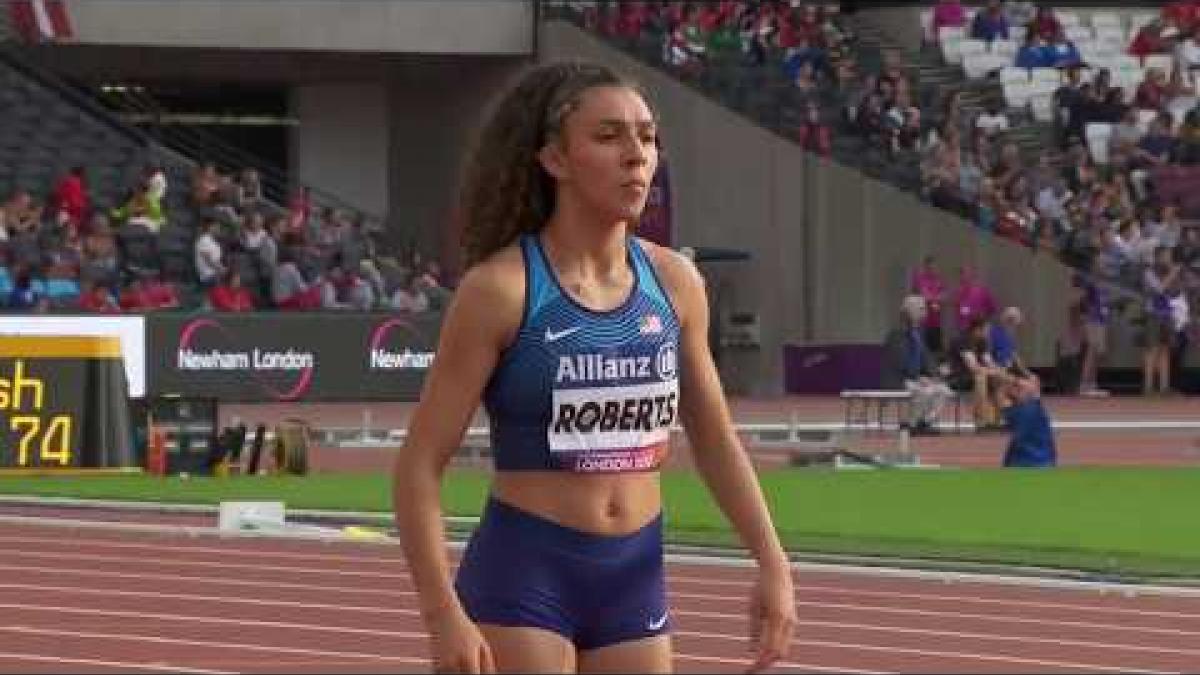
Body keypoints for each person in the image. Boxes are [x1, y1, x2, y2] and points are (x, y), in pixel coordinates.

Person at [392, 61, 795, 674]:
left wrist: (772, 561)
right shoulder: (501, 291)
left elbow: (715, 438)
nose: (637, 155)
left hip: (634, 575)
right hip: (525, 572)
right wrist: (441, 611)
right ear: (553, 159)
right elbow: (419, 465)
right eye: (609, 137)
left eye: (647, 136)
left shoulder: (676, 283)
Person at [880, 295, 954, 435]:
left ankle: (925, 422)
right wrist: (918, 377)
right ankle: (910, 424)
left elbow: (926, 357)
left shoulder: (919, 332)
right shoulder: (897, 332)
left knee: (943, 390)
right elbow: (900, 360)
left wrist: (935, 374)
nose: (924, 312)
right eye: (921, 309)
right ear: (910, 311)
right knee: (924, 391)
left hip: (916, 378)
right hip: (899, 379)